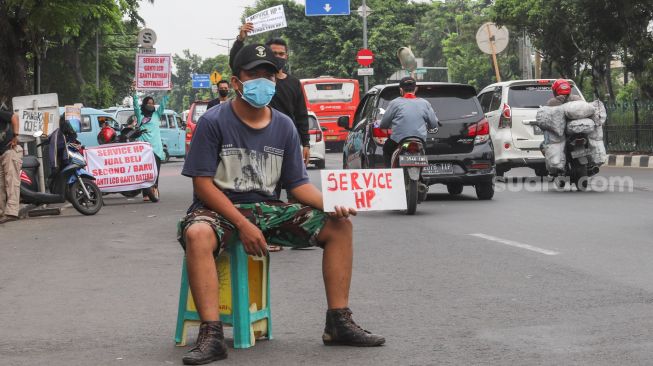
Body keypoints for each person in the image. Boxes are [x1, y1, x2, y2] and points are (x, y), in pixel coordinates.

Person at [177, 44, 385, 365]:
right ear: (236, 82)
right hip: (218, 211)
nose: (263, 80)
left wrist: (333, 202)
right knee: (197, 234)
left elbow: (298, 186)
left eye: (269, 75)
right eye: (254, 74)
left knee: (339, 225)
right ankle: (212, 334)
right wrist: (242, 224)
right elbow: (202, 184)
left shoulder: (284, 126)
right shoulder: (214, 122)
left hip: (267, 211)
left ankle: (338, 322)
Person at [230, 23, 310, 165]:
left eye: (281, 54)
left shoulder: (294, 83)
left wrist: (306, 143)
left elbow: (301, 115)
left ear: (287, 56)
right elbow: (236, 63)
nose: (278, 57)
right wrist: (240, 40)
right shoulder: (258, 83)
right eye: (274, 54)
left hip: (286, 140)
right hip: (260, 138)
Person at [379, 77, 438, 168]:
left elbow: (383, 124)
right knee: (423, 151)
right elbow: (433, 124)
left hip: (399, 141)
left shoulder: (395, 103)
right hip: (419, 141)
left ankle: (390, 175)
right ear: (416, 89)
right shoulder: (425, 103)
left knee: (387, 150)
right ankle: (421, 176)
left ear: (401, 90)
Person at [131, 88, 169, 201]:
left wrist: (168, 92)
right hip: (144, 149)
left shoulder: (157, 115)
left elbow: (163, 104)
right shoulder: (140, 116)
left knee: (156, 171)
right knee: (144, 171)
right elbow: (135, 106)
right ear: (145, 104)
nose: (151, 105)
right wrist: (134, 92)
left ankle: (154, 188)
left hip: (156, 148)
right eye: (149, 103)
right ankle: (145, 194)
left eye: (152, 103)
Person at [0, 110, 22, 224]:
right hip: (1, 154)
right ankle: (3, 213)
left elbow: (14, 117)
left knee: (11, 181)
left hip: (9, 151)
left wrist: (15, 136)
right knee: (1, 185)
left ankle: (12, 212)